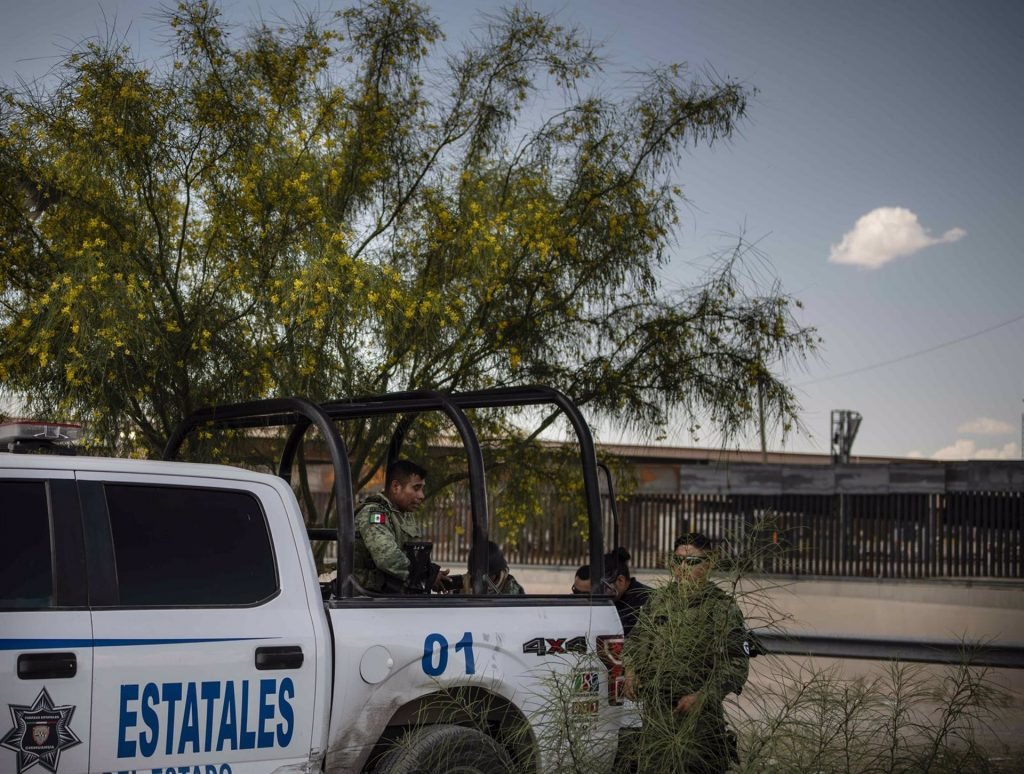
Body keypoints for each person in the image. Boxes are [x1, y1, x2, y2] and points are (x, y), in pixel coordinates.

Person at [624, 533, 751, 774]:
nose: (682, 568)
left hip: (699, 723)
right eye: (677, 561)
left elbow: (736, 665)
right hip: (657, 720)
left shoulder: (721, 608)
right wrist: (631, 671)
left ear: (709, 563)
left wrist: (703, 696)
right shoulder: (659, 601)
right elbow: (636, 641)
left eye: (691, 561)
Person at [353, 459, 447, 593]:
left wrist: (431, 573)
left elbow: (409, 554)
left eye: (422, 489)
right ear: (396, 487)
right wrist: (427, 575)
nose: (421, 495)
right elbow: (388, 559)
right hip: (366, 600)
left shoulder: (402, 515)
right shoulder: (374, 514)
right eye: (416, 488)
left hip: (392, 597)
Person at [602, 547, 650, 636]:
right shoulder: (617, 598)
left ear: (621, 580)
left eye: (604, 588)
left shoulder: (643, 600)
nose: (599, 593)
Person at [449, 541, 526, 595]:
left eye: (490, 577)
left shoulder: (512, 588)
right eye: (477, 577)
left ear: (499, 574)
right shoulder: (464, 584)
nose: (484, 582)